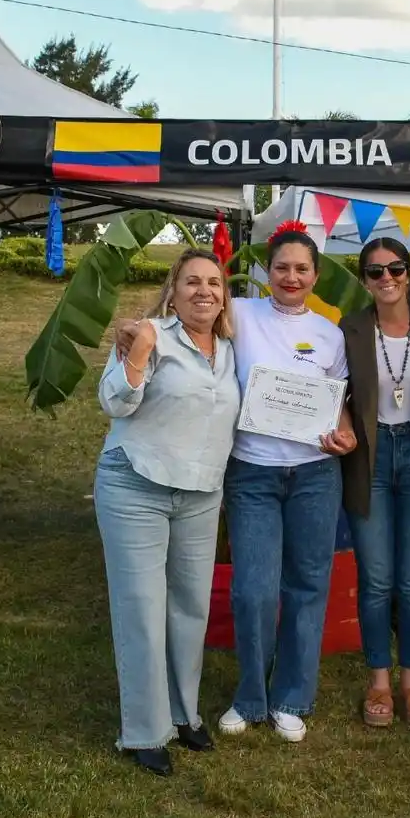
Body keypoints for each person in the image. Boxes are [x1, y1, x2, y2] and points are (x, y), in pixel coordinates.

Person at [115, 222, 357, 744]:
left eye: (302, 269)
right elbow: (177, 321)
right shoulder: (238, 315)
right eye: (282, 267)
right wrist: (135, 335)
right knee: (252, 590)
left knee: (308, 584)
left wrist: (347, 431)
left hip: (315, 473)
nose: (291, 277)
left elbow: (339, 403)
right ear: (265, 273)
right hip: (251, 471)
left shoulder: (330, 333)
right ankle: (250, 696)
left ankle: (292, 695)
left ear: (316, 276)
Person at [94, 249, 240, 777]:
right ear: (173, 291)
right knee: (142, 608)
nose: (205, 291)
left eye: (215, 283)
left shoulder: (229, 349)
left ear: (224, 295)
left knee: (188, 609)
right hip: (136, 482)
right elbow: (114, 402)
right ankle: (144, 730)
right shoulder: (149, 335)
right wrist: (137, 354)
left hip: (201, 492)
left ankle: (184, 714)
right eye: (192, 282)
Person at [340, 238, 410, 728]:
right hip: (370, 457)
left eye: (395, 269)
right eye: (375, 272)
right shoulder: (350, 329)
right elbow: (333, 388)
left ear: (408, 272)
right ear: (364, 279)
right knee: (377, 579)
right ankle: (379, 681)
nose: (387, 279)